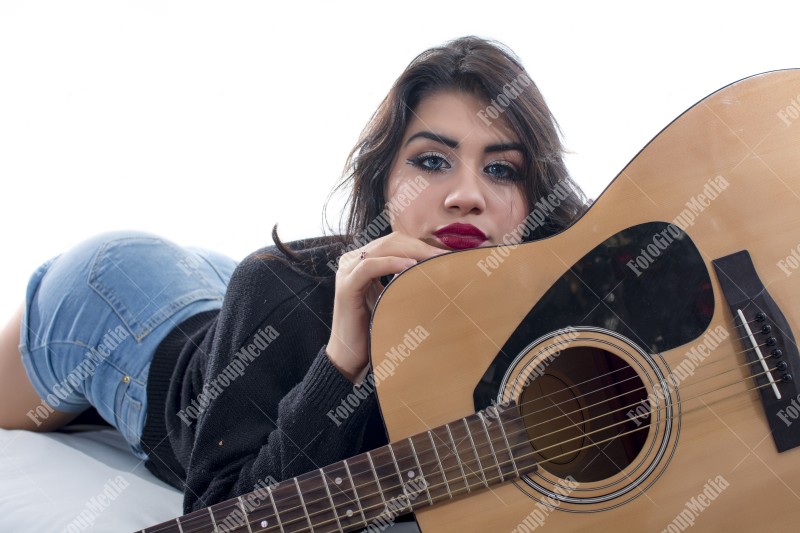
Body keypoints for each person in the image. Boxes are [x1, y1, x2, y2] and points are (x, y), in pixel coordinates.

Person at [0, 35, 587, 522]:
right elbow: (224, 514)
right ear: (383, 182)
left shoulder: (561, 307)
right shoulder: (277, 286)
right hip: (122, 308)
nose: (466, 196)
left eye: (500, 169)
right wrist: (342, 362)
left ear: (535, 194)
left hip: (236, 301)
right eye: (432, 161)